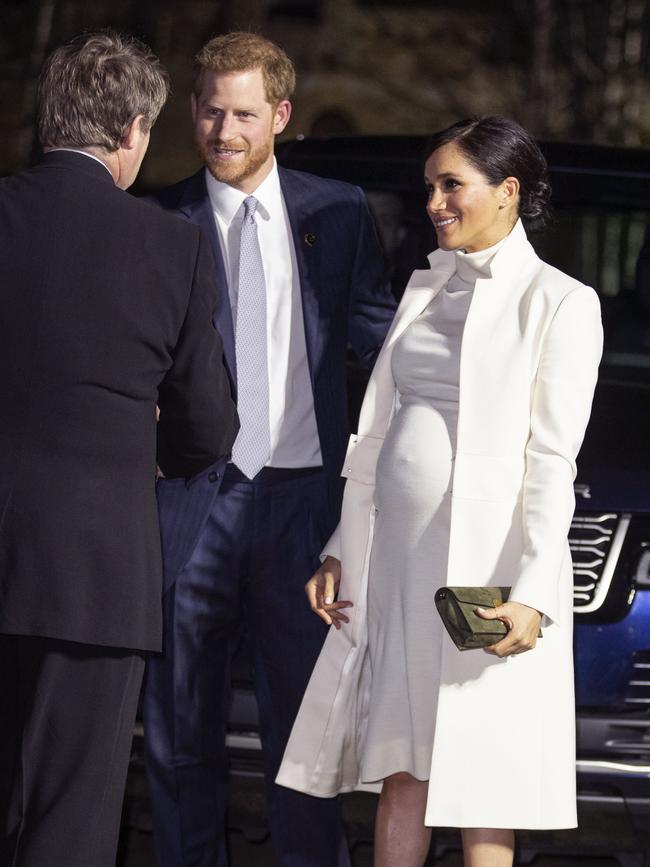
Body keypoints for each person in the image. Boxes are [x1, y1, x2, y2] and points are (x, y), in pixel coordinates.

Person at [277, 116, 604, 867]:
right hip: (395, 564)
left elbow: (552, 458)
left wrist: (529, 592)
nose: (434, 200)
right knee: (403, 768)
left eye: (451, 183)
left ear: (508, 191)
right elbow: (379, 435)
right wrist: (340, 549)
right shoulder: (423, 288)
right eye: (429, 186)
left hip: (486, 576)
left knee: (483, 787)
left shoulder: (560, 302)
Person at [142, 30, 396, 867]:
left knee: (307, 739)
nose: (224, 131)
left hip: (302, 514)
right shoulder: (153, 221)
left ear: (280, 115)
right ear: (192, 110)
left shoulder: (336, 212)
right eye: (210, 110)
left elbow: (378, 339)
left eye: (244, 113)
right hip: (191, 506)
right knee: (180, 731)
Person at [0, 31, 237, 867]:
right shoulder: (170, 245)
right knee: (71, 812)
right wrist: (158, 446)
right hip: (96, 570)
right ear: (133, 129)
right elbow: (209, 425)